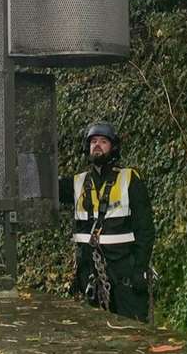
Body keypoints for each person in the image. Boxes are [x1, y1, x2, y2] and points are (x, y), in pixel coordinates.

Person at [57, 121, 154, 321]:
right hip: (90, 272)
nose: (97, 145)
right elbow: (41, 186)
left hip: (124, 272)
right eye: (93, 141)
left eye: (103, 141)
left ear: (113, 147)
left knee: (131, 331)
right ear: (87, 147)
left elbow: (145, 229)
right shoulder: (78, 183)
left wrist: (140, 268)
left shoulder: (129, 179)